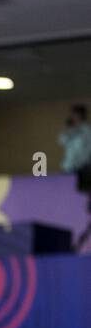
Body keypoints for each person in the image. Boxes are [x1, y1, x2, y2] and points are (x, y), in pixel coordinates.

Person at [61, 104, 91, 249]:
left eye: (74, 115)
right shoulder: (73, 132)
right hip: (69, 170)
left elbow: (86, 153)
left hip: (83, 170)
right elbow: (62, 140)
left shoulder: (87, 133)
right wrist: (70, 129)